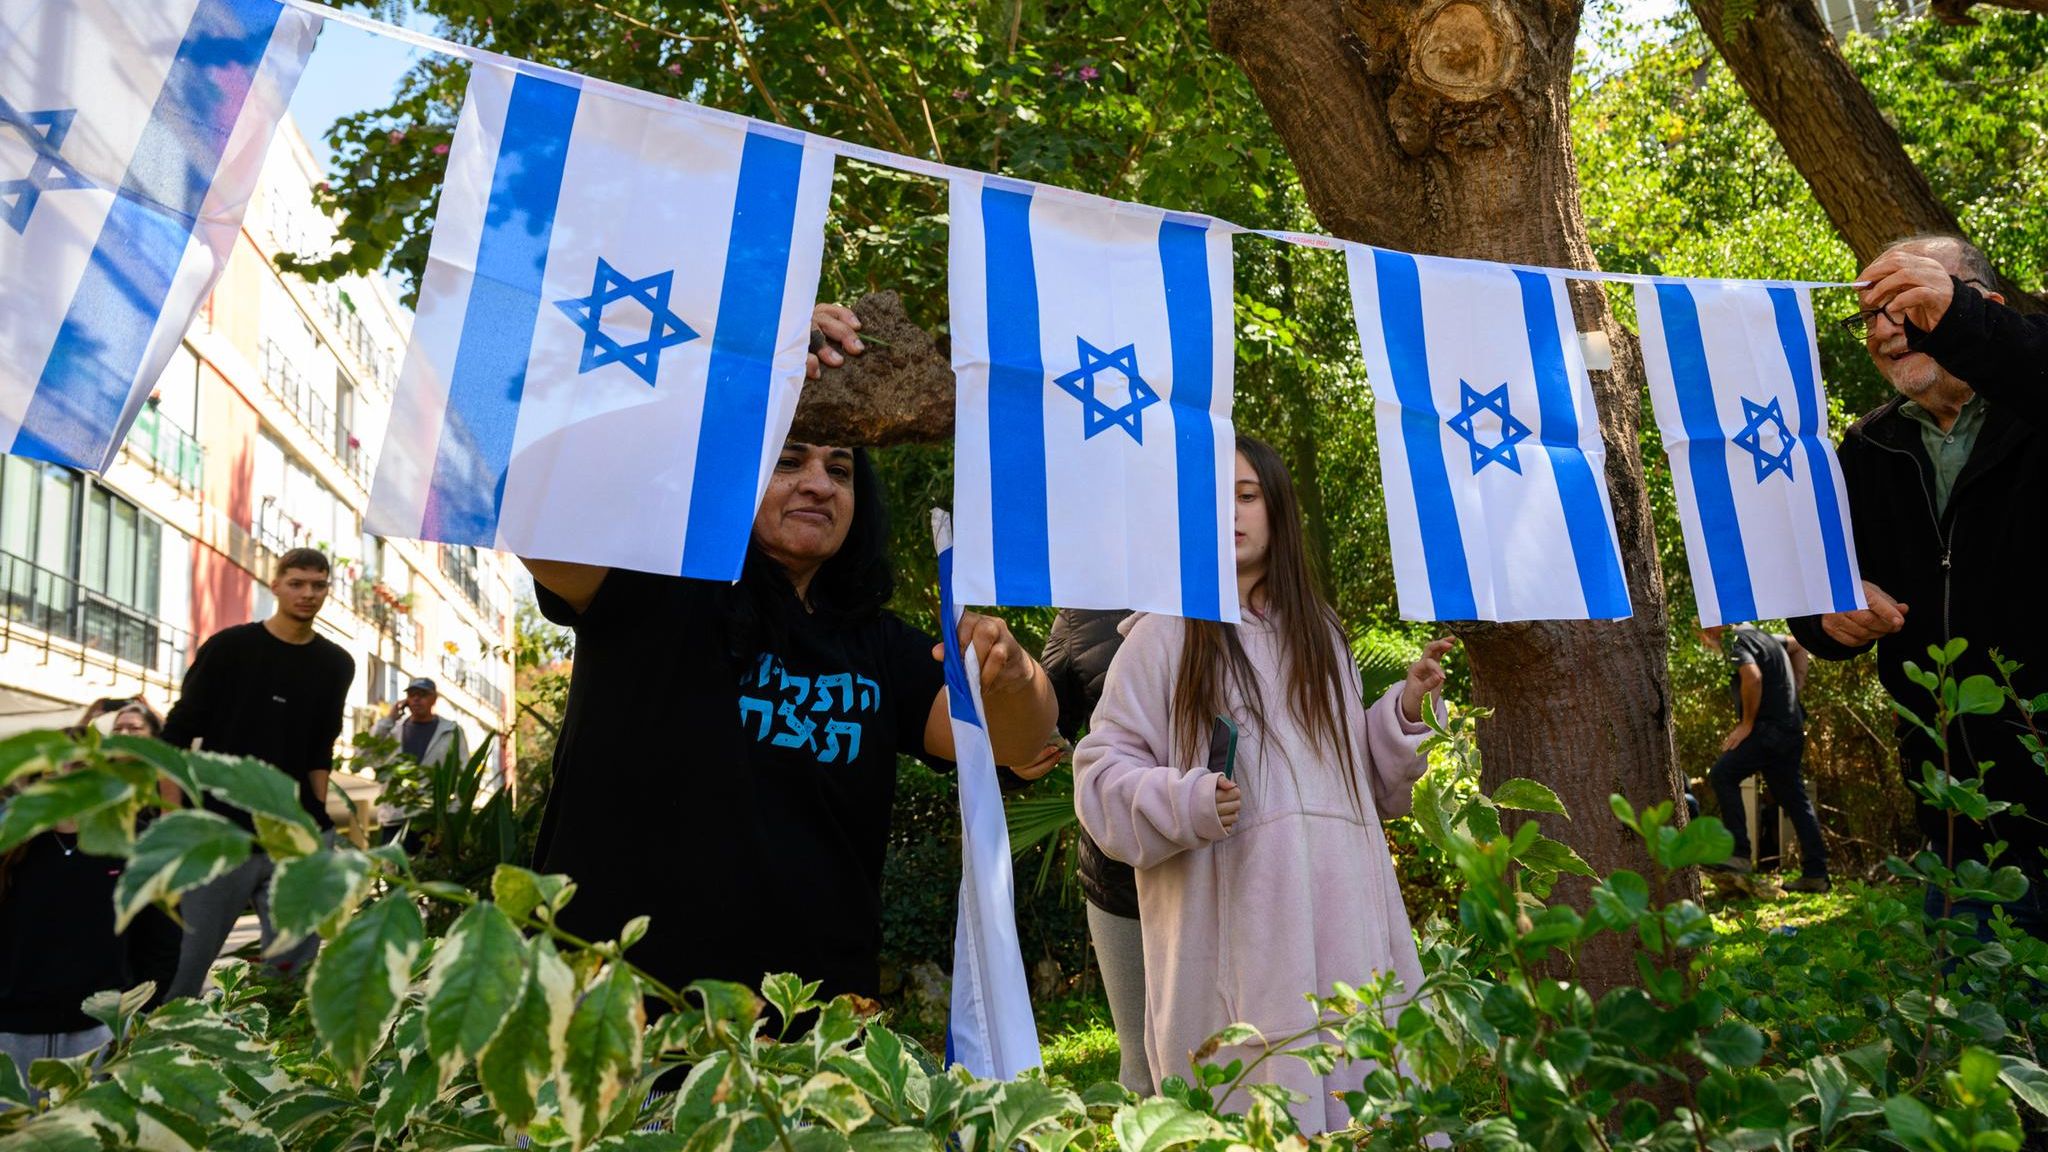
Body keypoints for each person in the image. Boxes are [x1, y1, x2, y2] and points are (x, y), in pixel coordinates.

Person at [521, 304, 1060, 1013]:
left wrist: (1013, 673)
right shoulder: (649, 582)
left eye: (840, 469)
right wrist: (737, 365)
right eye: (788, 459)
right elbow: (530, 507)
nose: (819, 484)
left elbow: (1019, 741)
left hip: (813, 1036)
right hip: (617, 1025)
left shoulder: (880, 643)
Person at [1074, 436, 1452, 1134]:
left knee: (1363, 1106)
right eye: (1214, 498)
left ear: (1276, 508)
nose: (1232, 512)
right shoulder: (1160, 639)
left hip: (1347, 936)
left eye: (1246, 495)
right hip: (1235, 948)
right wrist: (1185, 801)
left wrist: (1404, 708)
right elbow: (1100, 775)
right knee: (1256, 1110)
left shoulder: (1322, 636)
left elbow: (1352, 781)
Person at [1789, 234, 2047, 938]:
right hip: (1959, 829)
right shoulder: (1865, 450)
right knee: (1988, 1042)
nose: (1883, 330)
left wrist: (1964, 324)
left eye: (1907, 302)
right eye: (1869, 313)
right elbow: (1818, 584)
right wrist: (1827, 615)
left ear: (1982, 308)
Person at [162, 548, 356, 999]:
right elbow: (175, 737)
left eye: (318, 585)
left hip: (298, 836)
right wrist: (175, 820)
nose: (308, 594)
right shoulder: (230, 649)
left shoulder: (337, 663)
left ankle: (280, 1064)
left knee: (294, 972)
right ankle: (152, 1056)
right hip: (221, 830)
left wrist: (319, 822)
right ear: (275, 585)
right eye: (297, 583)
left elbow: (320, 748)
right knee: (183, 963)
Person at [1, 701, 182, 1107]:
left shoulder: (136, 845)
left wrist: (131, 1015)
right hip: (11, 1034)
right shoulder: (10, 843)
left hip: (97, 1034)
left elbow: (162, 941)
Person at [1040, 607, 1148, 1093]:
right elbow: (1036, 736)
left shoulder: (1238, 589)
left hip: (1239, 873)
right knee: (1145, 1071)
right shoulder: (1084, 615)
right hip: (1123, 884)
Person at [1698, 624, 1830, 892]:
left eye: (1706, 628)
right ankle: (1816, 874)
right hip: (1791, 728)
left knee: (1723, 775)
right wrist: (1797, 685)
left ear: (1717, 625)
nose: (1706, 635)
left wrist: (1746, 724)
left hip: (1767, 730)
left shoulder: (1735, 642)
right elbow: (1799, 644)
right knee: (1794, 797)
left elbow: (1753, 677)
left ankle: (1739, 855)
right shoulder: (1762, 636)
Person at [374, 677, 470, 769]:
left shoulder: (451, 731)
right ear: (407, 700)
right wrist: (389, 719)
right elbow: (365, 752)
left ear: (434, 699)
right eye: (412, 695)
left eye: (423, 694)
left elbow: (463, 767)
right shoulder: (393, 729)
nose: (416, 699)